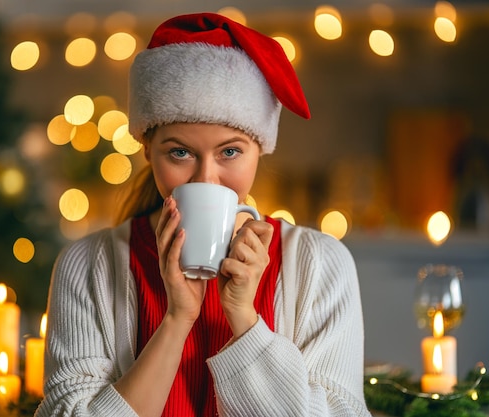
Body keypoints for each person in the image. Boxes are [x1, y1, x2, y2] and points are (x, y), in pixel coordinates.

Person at [35, 12, 371, 417]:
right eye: (180, 152)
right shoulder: (88, 265)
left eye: (230, 151)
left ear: (259, 149)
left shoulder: (321, 264)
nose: (206, 179)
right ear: (146, 149)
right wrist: (177, 319)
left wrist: (245, 319)